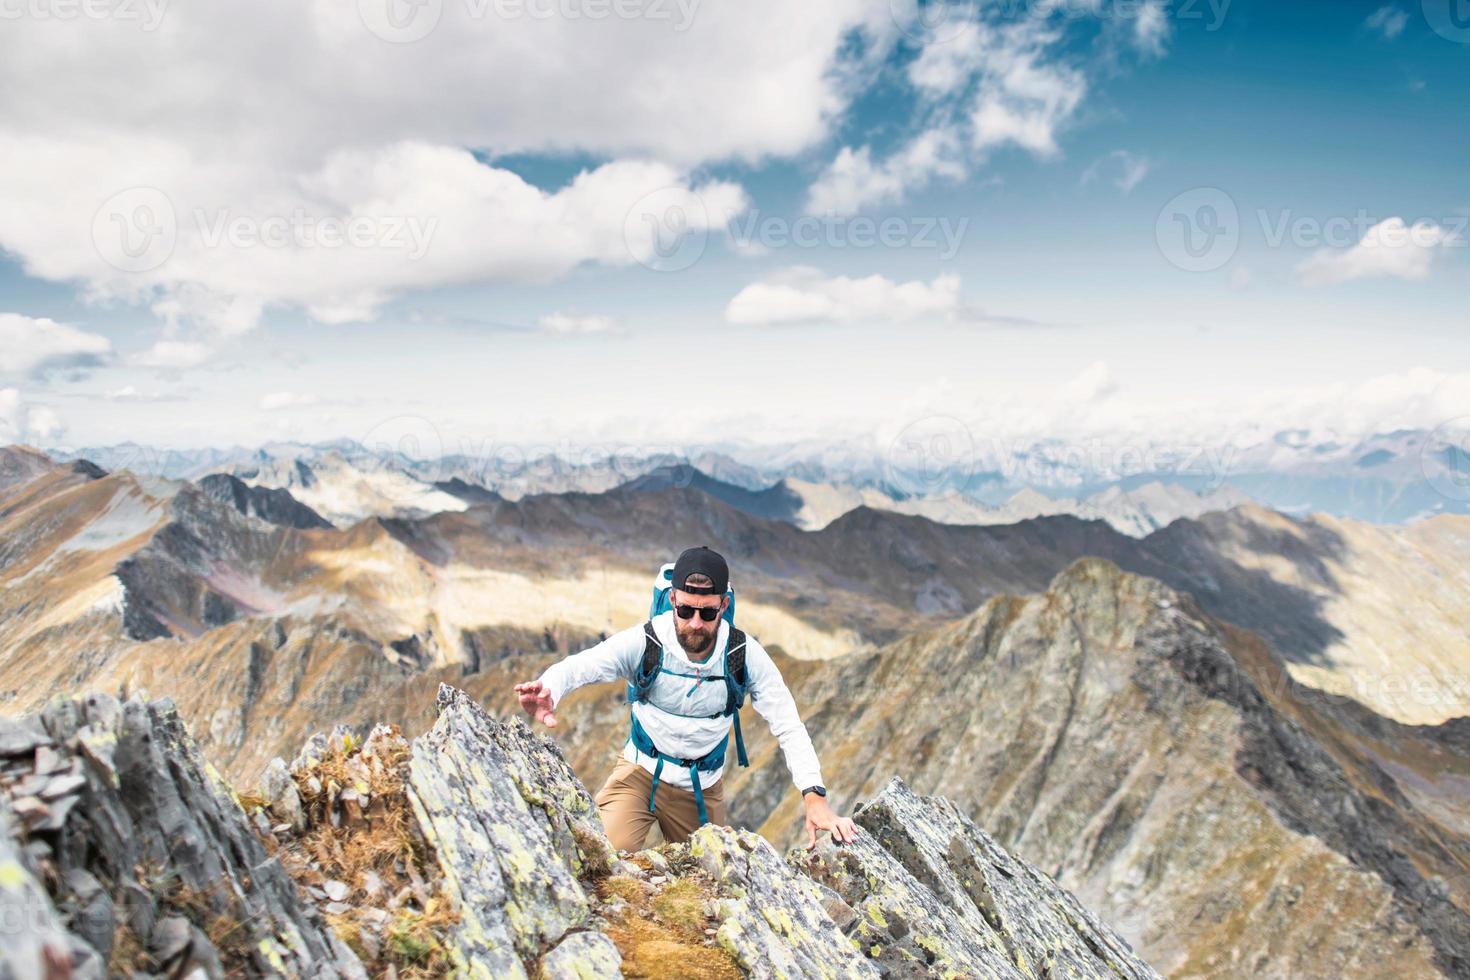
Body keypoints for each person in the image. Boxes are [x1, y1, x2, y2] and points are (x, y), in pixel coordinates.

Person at [514, 545, 859, 852]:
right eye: (686, 610)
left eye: (707, 612)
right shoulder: (647, 641)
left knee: (712, 889)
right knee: (600, 856)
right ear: (674, 600)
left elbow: (788, 725)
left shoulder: (742, 653)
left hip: (702, 791)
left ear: (723, 605)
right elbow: (587, 665)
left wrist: (814, 797)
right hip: (639, 774)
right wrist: (550, 688)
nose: (695, 623)